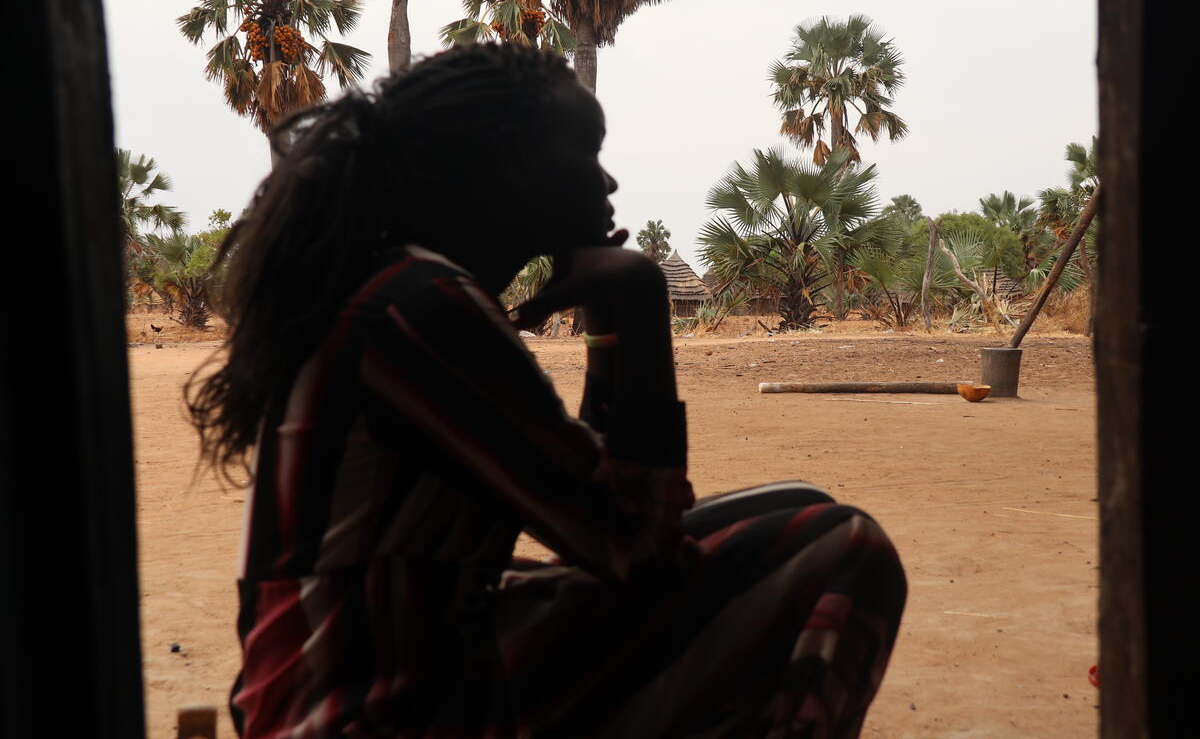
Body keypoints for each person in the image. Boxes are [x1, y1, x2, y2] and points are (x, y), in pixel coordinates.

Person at [188, 43, 906, 738]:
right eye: (584, 151)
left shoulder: (399, 290)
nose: (607, 183)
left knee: (798, 509)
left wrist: (605, 322)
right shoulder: (422, 308)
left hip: (365, 680)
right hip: (369, 712)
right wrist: (641, 298)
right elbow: (635, 547)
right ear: (505, 167)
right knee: (848, 546)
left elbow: (594, 507)